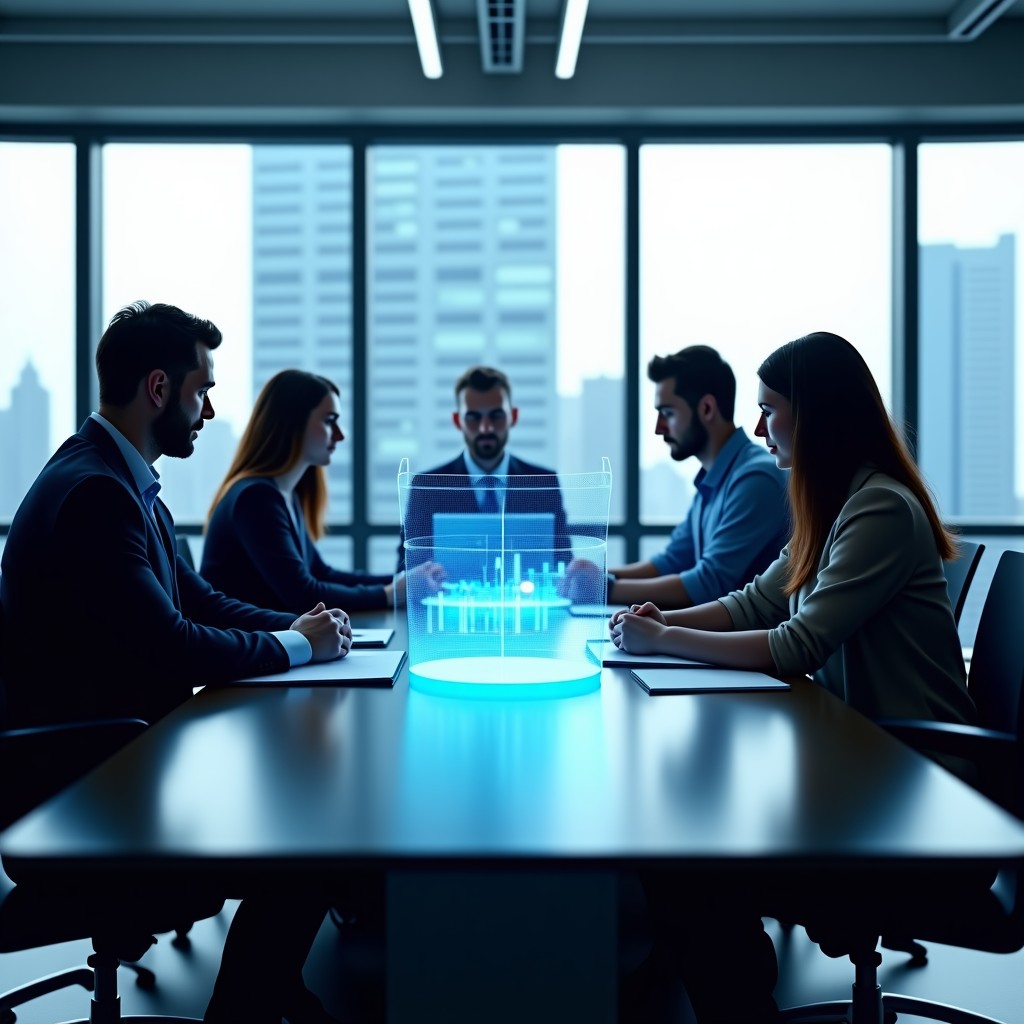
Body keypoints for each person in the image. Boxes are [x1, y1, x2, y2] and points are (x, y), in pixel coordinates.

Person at [610, 331, 978, 1023]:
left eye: (769, 409)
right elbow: (756, 602)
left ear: (814, 418)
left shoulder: (878, 508)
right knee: (686, 845)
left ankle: (736, 1004)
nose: (756, 428)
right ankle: (724, 990)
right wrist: (662, 629)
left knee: (689, 860)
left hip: (918, 795)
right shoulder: (838, 503)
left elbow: (797, 643)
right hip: (866, 767)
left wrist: (665, 638)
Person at [0, 301, 350, 1024]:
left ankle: (270, 995)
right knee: (315, 842)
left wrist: (300, 626)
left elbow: (201, 598)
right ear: (159, 389)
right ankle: (250, 1008)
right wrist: (297, 646)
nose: (210, 409)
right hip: (84, 797)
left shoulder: (127, 486)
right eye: (201, 390)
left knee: (309, 817)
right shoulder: (96, 493)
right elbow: (171, 641)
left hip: (122, 765)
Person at [567, 345, 789, 609]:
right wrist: (595, 576)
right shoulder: (715, 479)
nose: (658, 428)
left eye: (668, 413)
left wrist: (604, 587)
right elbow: (671, 562)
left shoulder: (756, 478)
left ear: (706, 408)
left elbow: (708, 582)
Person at [202, 368, 439, 614]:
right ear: (292, 424)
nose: (340, 435)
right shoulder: (256, 499)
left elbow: (322, 574)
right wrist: (390, 593)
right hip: (245, 646)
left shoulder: (284, 496)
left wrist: (404, 580)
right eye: (329, 421)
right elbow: (303, 595)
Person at [396, 364, 569, 575]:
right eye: (473, 417)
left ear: (513, 416)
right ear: (457, 420)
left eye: (496, 416)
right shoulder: (427, 487)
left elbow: (563, 564)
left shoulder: (543, 482)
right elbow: (406, 572)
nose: (485, 428)